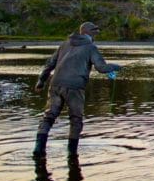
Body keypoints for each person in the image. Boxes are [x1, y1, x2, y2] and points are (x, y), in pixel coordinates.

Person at [33, 21, 121, 157]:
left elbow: (50, 64)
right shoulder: (91, 47)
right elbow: (101, 68)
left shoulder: (64, 44)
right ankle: (72, 153)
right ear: (87, 33)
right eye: (94, 32)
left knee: (48, 117)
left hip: (55, 85)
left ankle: (38, 150)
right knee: (76, 119)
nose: (95, 35)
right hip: (75, 88)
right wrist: (117, 67)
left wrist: (41, 81)